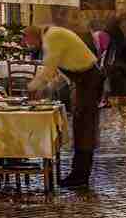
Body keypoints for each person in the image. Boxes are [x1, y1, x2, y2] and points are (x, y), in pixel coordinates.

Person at [27, 25, 104, 189]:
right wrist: (47, 90)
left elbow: (49, 68)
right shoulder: (52, 36)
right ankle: (78, 173)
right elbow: (59, 75)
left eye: (27, 41)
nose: (28, 45)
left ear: (33, 36)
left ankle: (80, 176)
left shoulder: (52, 38)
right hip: (83, 82)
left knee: (85, 128)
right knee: (81, 126)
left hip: (88, 81)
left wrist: (32, 88)